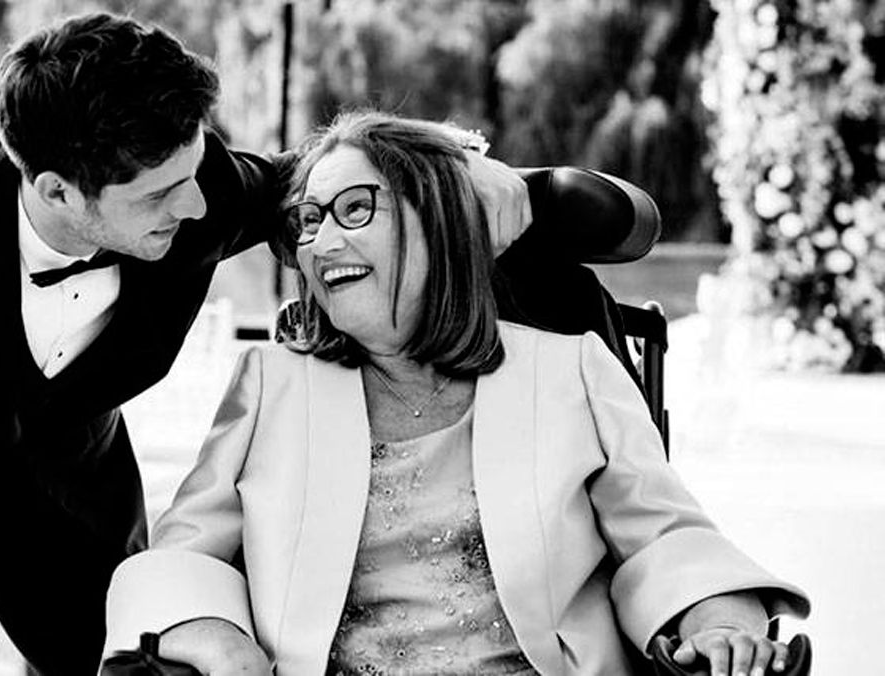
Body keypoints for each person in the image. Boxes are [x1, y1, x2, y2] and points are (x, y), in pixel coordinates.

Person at [0, 11, 649, 675]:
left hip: (65, 494)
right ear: (57, 192)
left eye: (196, 169)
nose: (198, 205)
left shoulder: (199, 185)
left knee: (127, 661)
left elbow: (325, 183)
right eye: (159, 195)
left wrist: (472, 171)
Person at [103, 111, 811, 676]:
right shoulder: (271, 384)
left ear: (438, 219)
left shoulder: (570, 371)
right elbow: (186, 552)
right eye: (308, 221)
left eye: (355, 209)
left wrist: (717, 622)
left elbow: (665, 537)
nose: (318, 243)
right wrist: (216, 638)